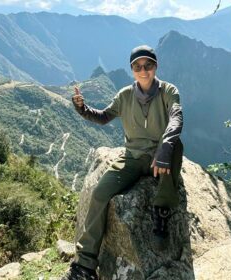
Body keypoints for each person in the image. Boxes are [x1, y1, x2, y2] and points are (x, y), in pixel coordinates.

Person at [62, 45, 184, 280]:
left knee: (176, 146)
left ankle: (162, 209)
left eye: (148, 65)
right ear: (132, 70)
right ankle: (85, 266)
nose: (143, 70)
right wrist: (82, 108)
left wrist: (165, 148)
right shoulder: (125, 95)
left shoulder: (169, 91)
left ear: (155, 67)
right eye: (138, 66)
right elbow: (104, 117)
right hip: (131, 157)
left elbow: (176, 118)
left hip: (158, 156)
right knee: (99, 194)